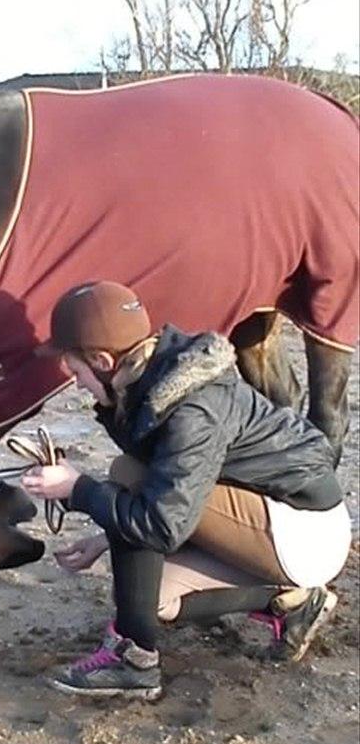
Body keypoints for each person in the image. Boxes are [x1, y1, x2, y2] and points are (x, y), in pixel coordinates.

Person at [21, 281, 351, 700]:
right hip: (265, 519)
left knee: (127, 473)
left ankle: (134, 658)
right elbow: (175, 488)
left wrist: (80, 488)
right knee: (148, 600)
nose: (77, 383)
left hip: (307, 531)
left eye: (76, 371)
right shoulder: (150, 380)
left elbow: (160, 524)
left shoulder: (193, 408)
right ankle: (292, 601)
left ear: (103, 360)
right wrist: (104, 535)